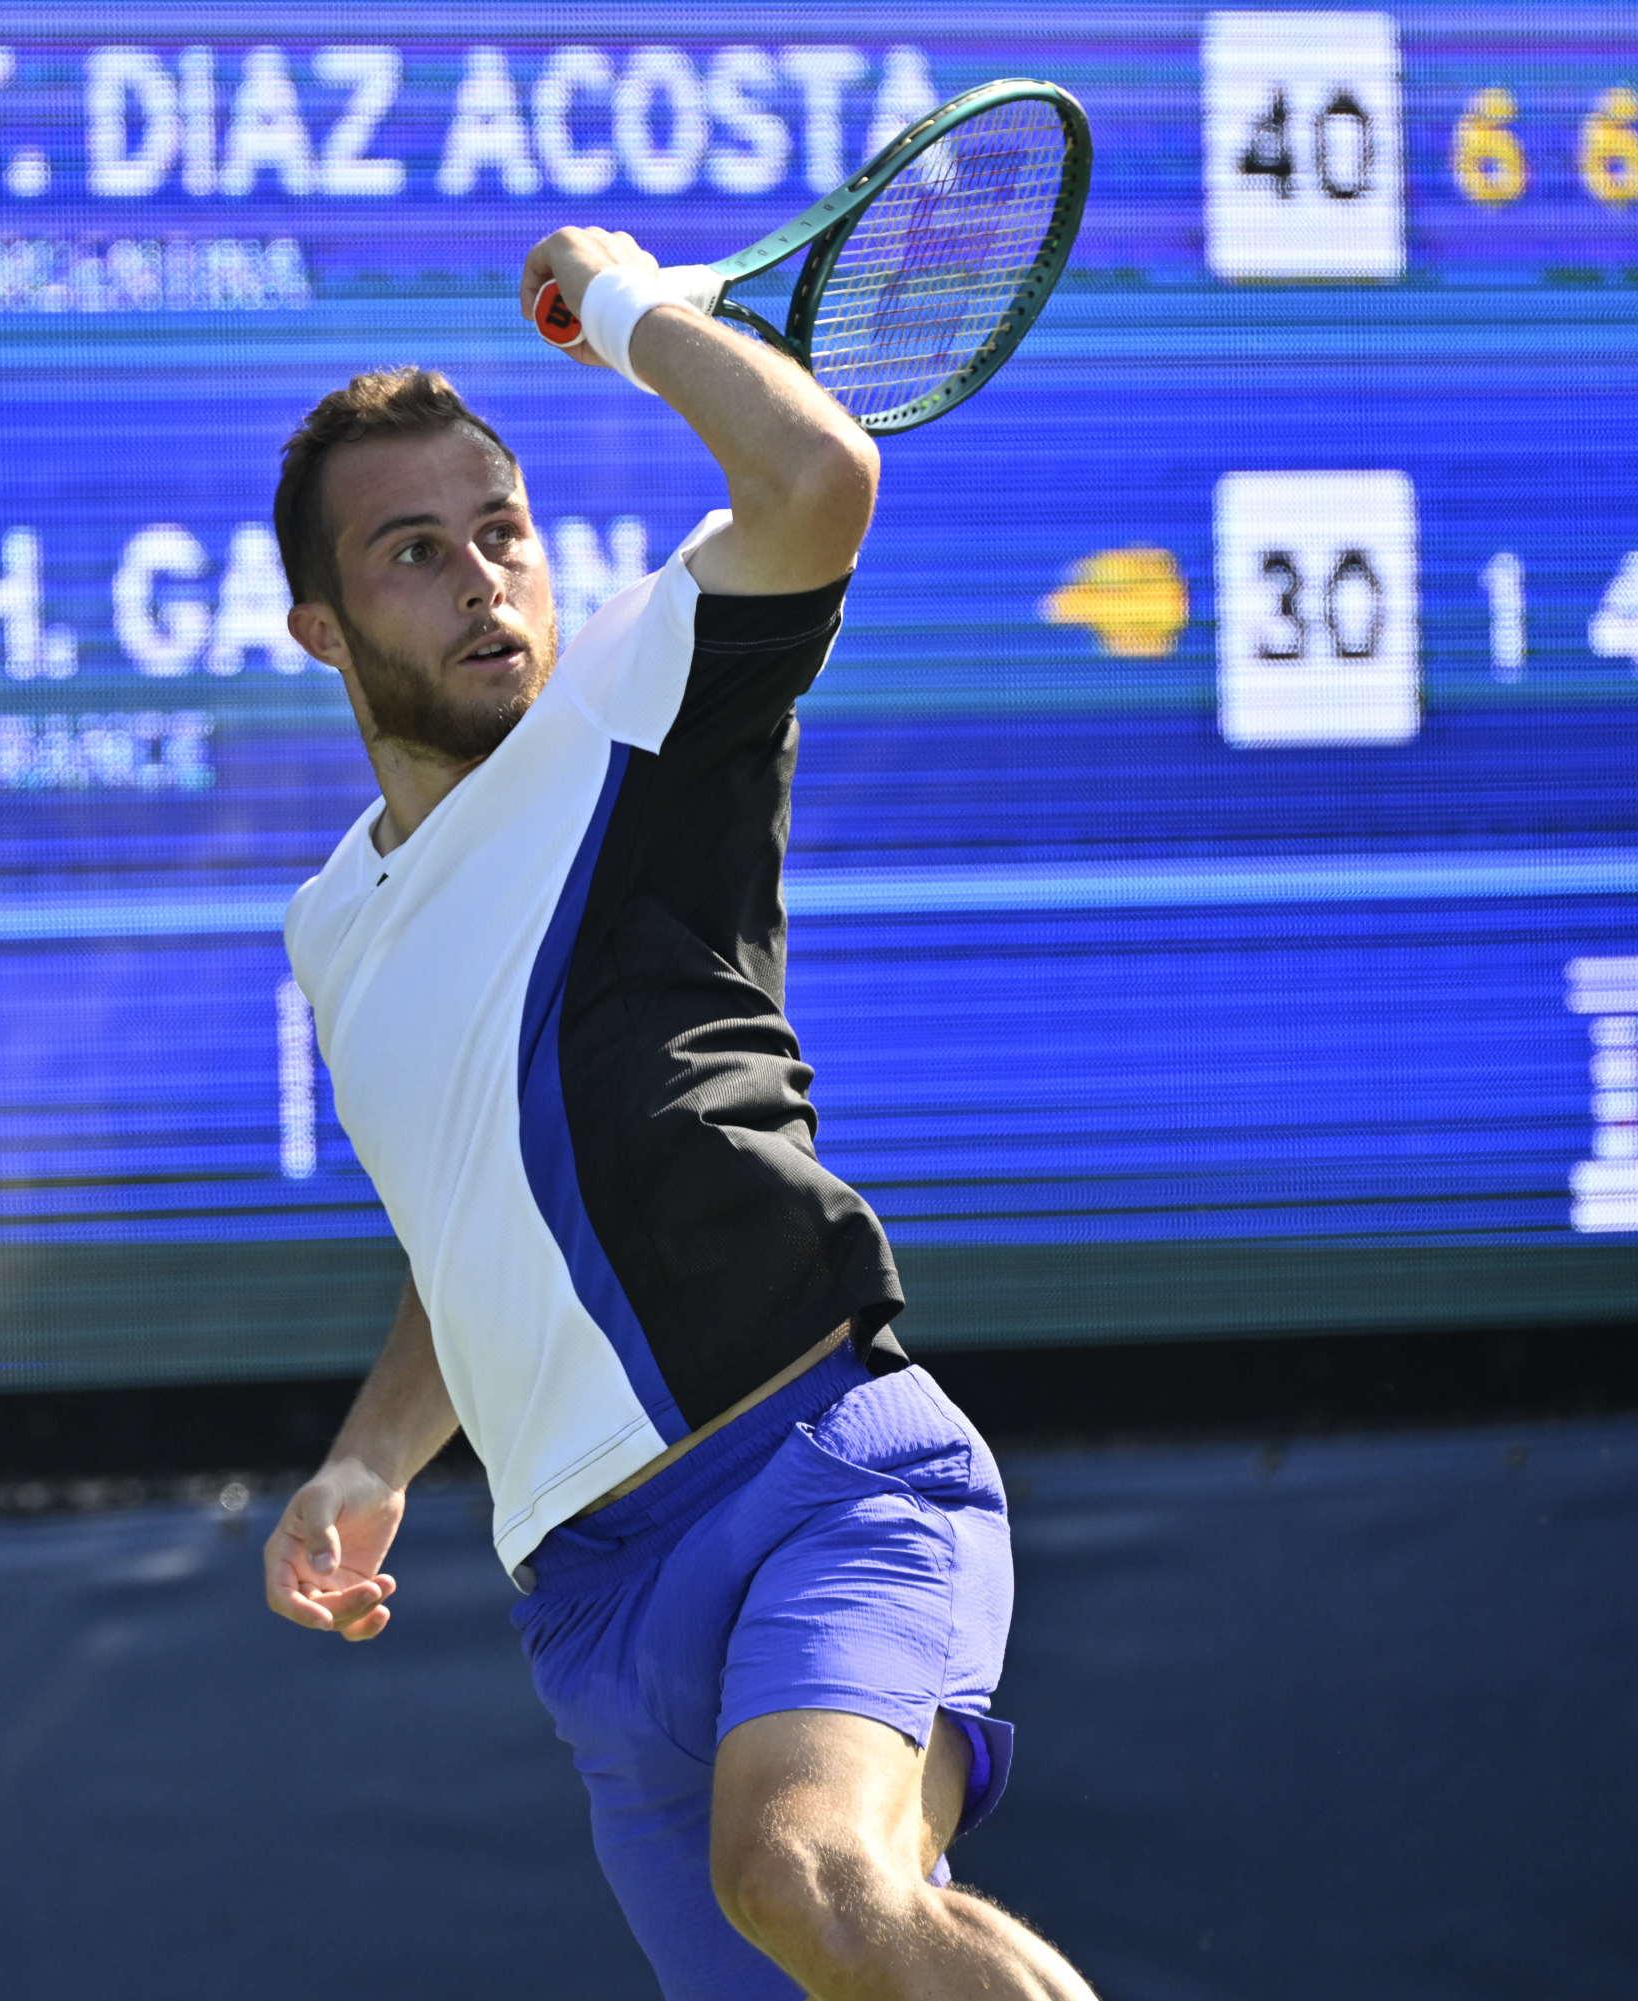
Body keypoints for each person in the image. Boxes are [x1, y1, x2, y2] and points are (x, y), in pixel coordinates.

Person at [262, 227, 1099, 1999]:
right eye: (414, 552)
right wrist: (369, 1454)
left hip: (815, 1475)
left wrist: (635, 309)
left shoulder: (641, 695)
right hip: (590, 1604)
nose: (484, 578)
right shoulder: (335, 928)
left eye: (504, 529)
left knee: (812, 1866)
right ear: (318, 632)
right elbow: (470, 1226)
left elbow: (817, 474)